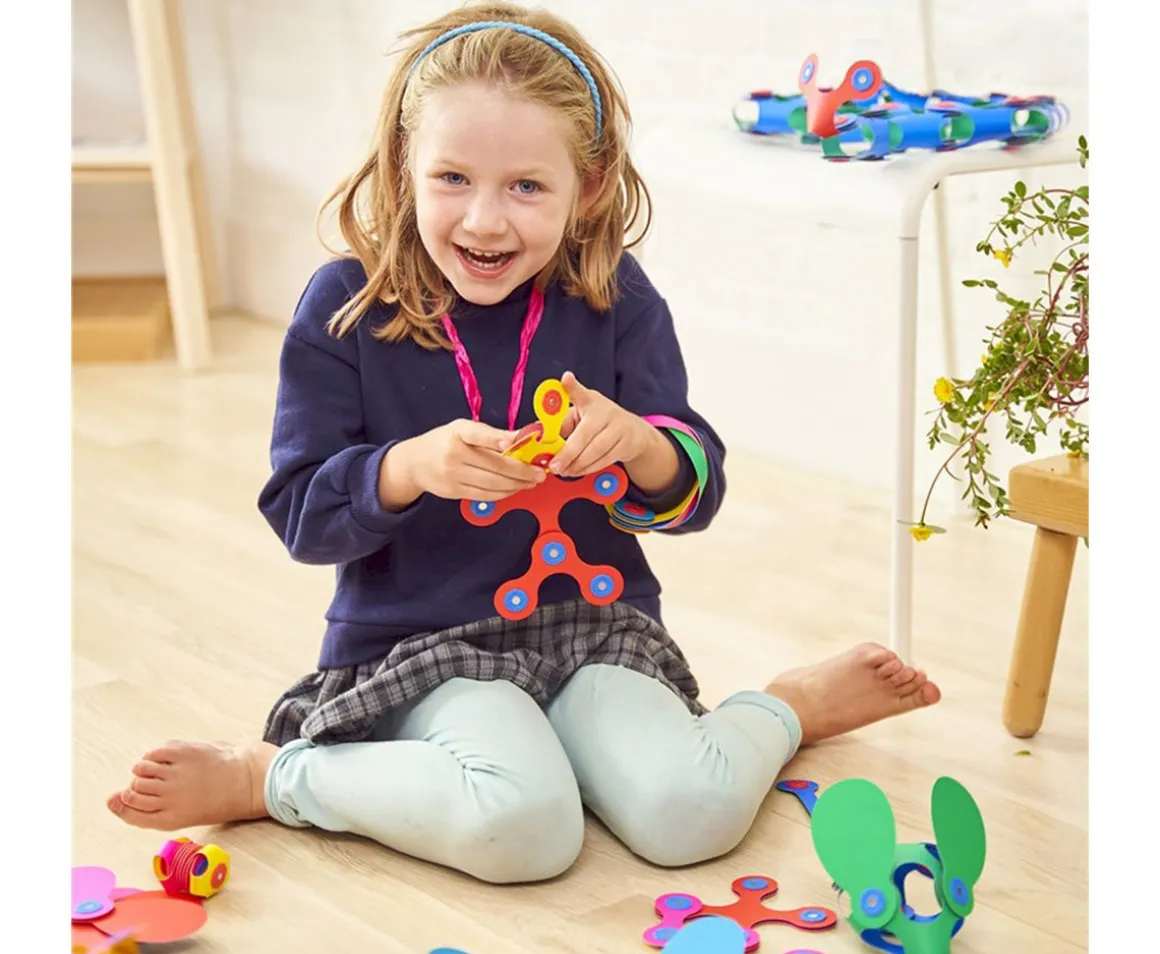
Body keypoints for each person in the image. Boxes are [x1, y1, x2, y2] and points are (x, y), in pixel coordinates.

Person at [107, 1, 940, 884]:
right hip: (423, 644)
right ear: (404, 165)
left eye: (527, 187)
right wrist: (408, 467)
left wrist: (639, 444)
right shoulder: (346, 306)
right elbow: (301, 516)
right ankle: (272, 775)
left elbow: (695, 487)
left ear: (590, 183)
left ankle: (786, 705)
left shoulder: (617, 297)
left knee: (689, 809)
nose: (485, 221)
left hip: (593, 627)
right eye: (452, 178)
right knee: (524, 825)